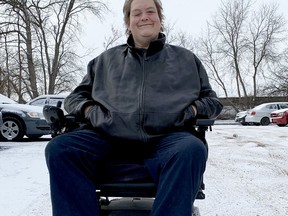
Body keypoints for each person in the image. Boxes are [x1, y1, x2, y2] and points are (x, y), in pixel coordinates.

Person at [45, 0, 223, 215]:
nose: (144, 17)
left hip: (167, 139)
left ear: (160, 19)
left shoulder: (186, 60)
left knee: (192, 149)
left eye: (150, 11)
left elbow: (212, 101)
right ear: (128, 22)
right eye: (136, 13)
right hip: (108, 138)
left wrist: (191, 111)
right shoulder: (104, 61)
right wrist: (90, 111)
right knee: (61, 148)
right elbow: (74, 98)